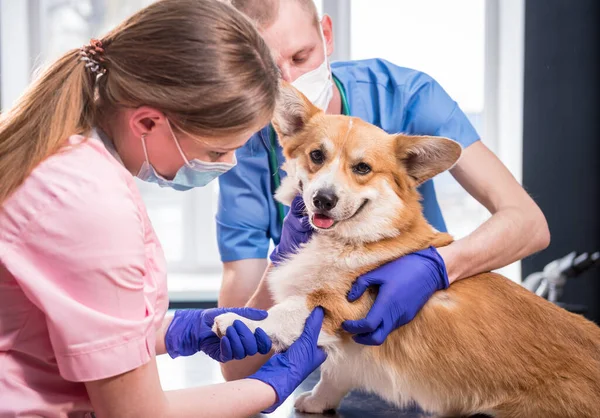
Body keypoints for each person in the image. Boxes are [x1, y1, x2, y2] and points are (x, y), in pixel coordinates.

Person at [0, 1, 326, 416]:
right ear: (148, 123)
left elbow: (60, 324)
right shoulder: (89, 203)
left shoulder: (68, 160)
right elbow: (138, 413)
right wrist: (270, 386)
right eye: (217, 150)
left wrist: (180, 331)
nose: (225, 165)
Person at [217, 0, 551, 380]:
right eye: (266, 70)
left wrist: (437, 267)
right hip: (324, 358)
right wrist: (284, 264)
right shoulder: (235, 148)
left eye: (301, 56)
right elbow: (235, 365)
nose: (288, 81)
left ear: (326, 35)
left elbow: (529, 224)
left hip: (428, 347)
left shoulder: (405, 93)